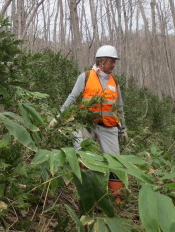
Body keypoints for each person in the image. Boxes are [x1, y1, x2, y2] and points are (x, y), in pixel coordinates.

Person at [51, 45, 128, 204]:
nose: (113, 65)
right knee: (82, 155)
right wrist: (57, 118)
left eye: (114, 62)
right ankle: (84, 194)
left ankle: (116, 198)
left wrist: (123, 128)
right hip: (85, 124)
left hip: (109, 127)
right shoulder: (85, 77)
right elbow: (72, 98)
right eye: (111, 61)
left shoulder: (115, 82)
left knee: (116, 162)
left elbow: (119, 107)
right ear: (101, 61)